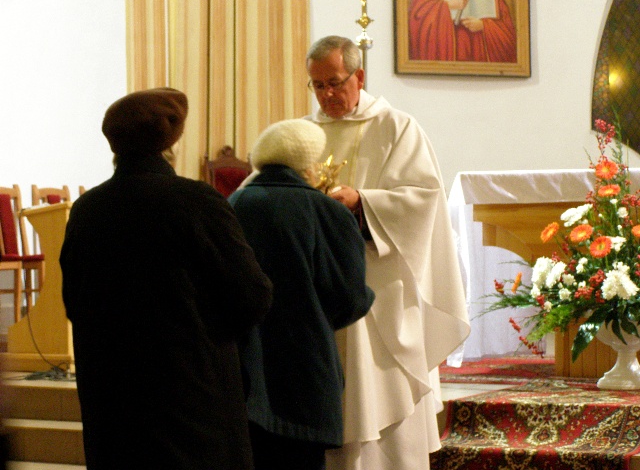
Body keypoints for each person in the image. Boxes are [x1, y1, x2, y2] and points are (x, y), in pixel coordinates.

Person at [60, 87, 273, 470]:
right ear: (170, 142)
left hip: (113, 400)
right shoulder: (196, 200)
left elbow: (74, 301)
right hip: (191, 396)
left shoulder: (87, 209)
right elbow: (251, 295)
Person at [304, 36, 470, 470]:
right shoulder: (303, 133)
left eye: (335, 83)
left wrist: (362, 202)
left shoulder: (397, 127)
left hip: (378, 279)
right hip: (320, 283)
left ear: (359, 77)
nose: (327, 95)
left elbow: (424, 199)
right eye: (318, 85)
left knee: (380, 387)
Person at [228, 118, 375, 470]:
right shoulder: (326, 211)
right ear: (308, 164)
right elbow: (350, 297)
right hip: (306, 367)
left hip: (244, 367)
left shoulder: (234, 203)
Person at [408, 0, 517, 63]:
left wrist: (484, 25)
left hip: (480, 50)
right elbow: (418, 17)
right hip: (451, 47)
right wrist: (449, 5)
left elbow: (507, 31)